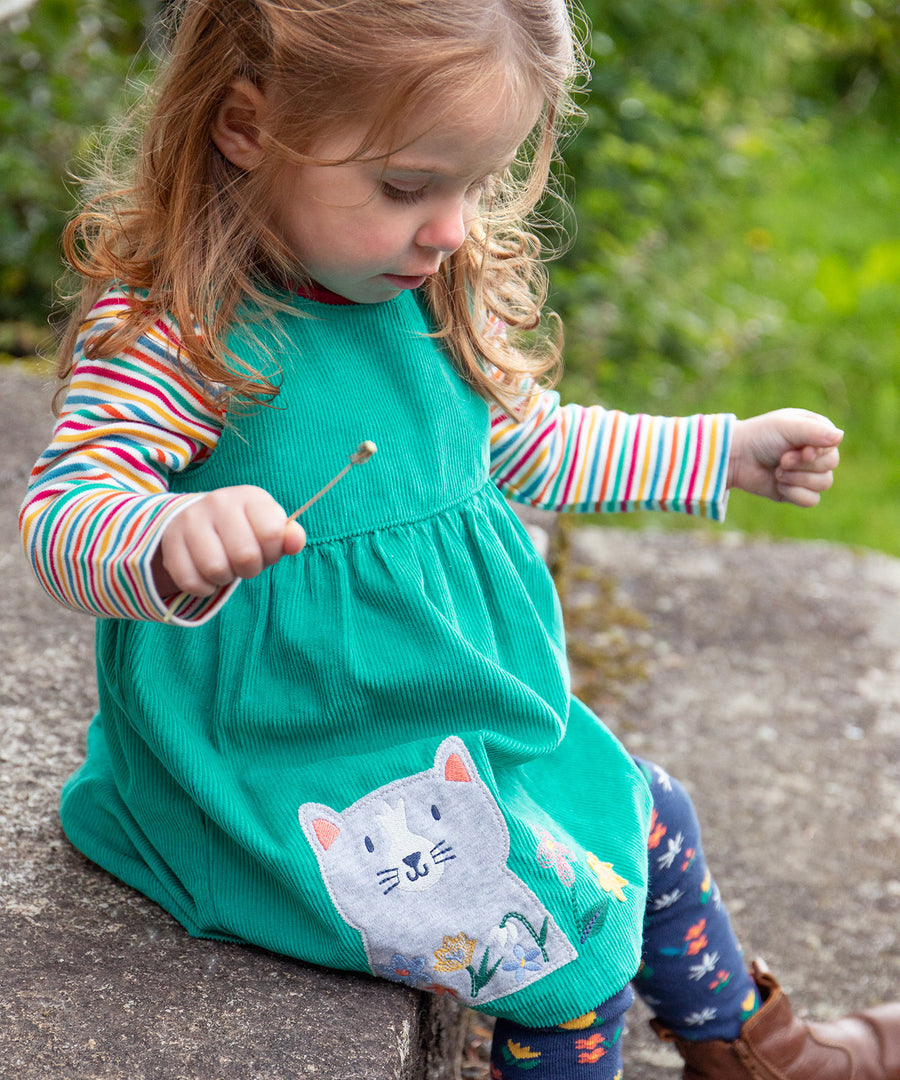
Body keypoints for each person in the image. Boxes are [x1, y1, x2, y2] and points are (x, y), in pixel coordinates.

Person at [19, 2, 899, 1077]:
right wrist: (165, 532)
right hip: (288, 757)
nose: (448, 227)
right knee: (563, 970)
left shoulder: (422, 287)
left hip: (435, 712)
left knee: (651, 813)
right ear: (246, 126)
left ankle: (757, 1048)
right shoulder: (184, 330)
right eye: (407, 187)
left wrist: (721, 453)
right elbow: (67, 513)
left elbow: (533, 448)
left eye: (476, 184)